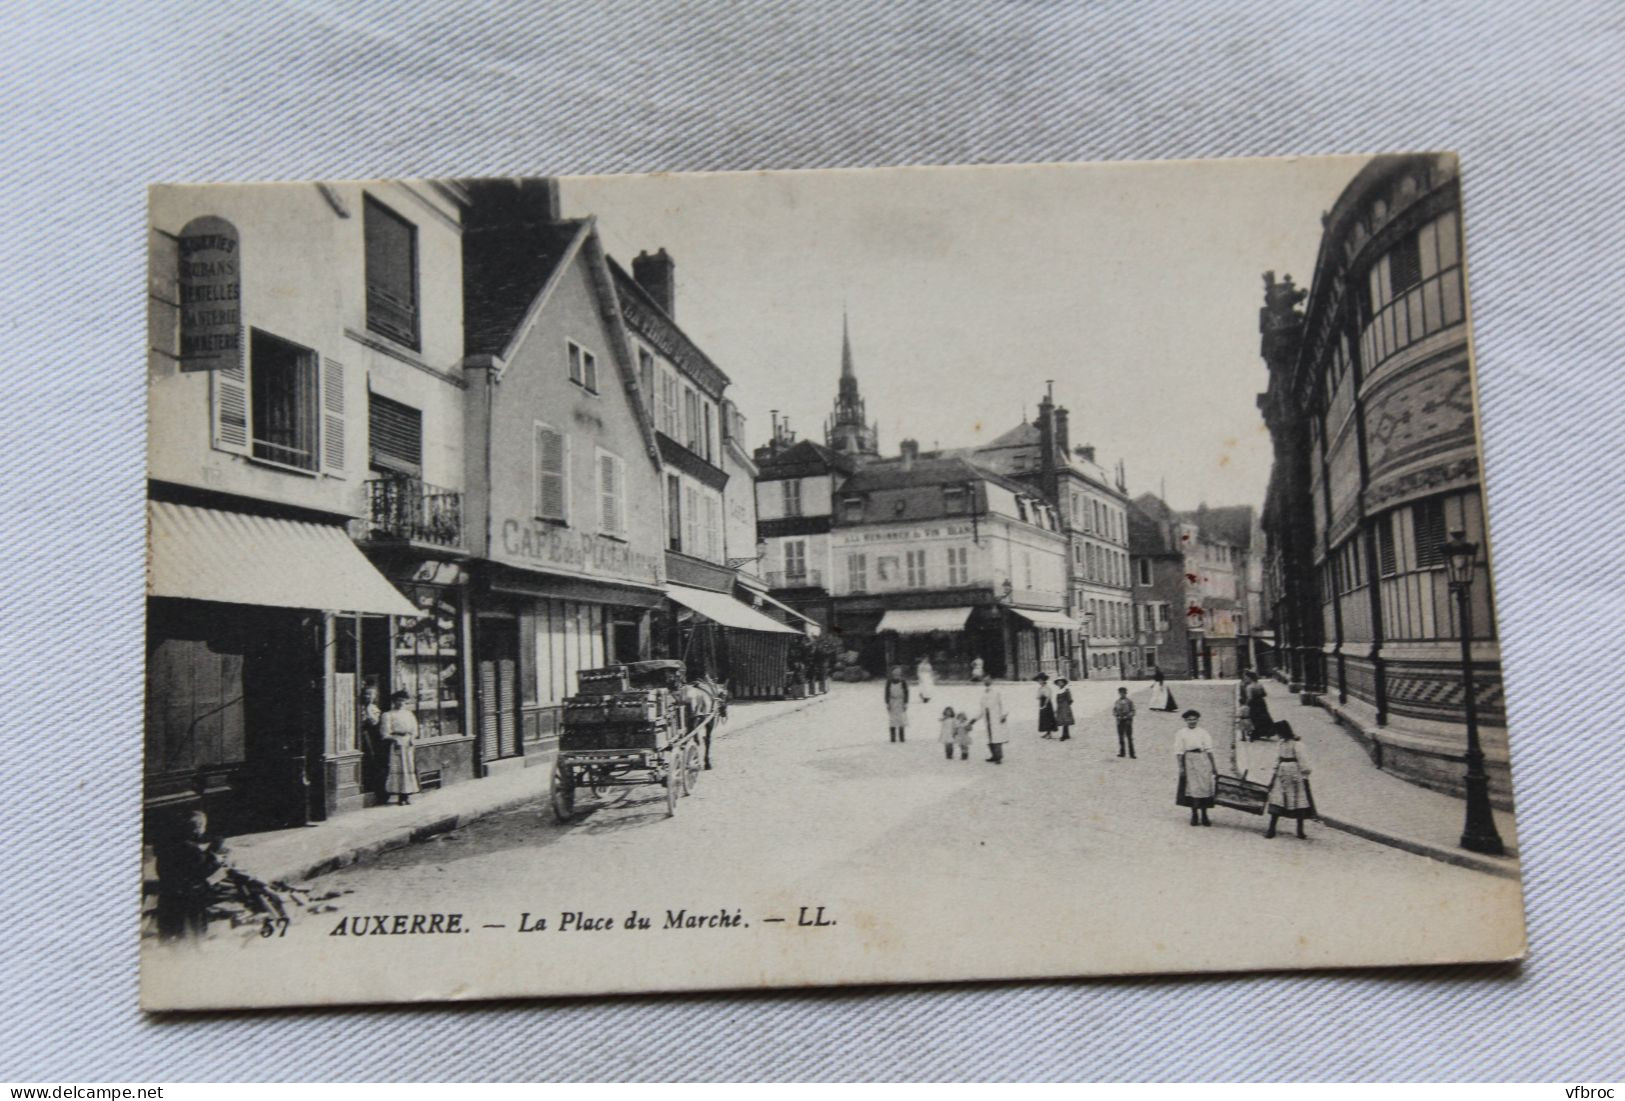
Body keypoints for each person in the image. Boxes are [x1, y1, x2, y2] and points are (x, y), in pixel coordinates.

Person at [1264, 722, 1317, 838]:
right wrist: (1273, 775)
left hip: (1295, 775)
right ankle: (1271, 829)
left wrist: (1305, 774)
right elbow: (1277, 759)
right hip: (1281, 774)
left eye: (1279, 732)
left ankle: (1300, 830)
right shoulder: (1280, 744)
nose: (1278, 735)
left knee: (1298, 801)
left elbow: (1303, 760)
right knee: (1278, 800)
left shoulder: (1297, 745)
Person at [1173, 708, 1218, 826]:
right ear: (1185, 720)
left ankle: (1204, 815)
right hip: (1189, 761)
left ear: (1198, 720)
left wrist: (1214, 766)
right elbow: (1179, 752)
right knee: (1193, 789)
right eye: (1189, 719)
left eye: (1194, 719)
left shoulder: (1203, 732)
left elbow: (1209, 750)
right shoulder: (1181, 733)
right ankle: (1194, 814)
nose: (1192, 722)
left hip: (1203, 760)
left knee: (1204, 788)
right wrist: (1181, 767)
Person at [380, 689, 421, 806]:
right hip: (396, 743)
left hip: (408, 743)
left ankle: (407, 795)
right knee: (399, 769)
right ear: (394, 701)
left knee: (408, 768)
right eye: (398, 700)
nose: (401, 703)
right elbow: (385, 733)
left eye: (403, 701)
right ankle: (400, 796)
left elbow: (414, 729)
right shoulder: (388, 715)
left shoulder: (409, 714)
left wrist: (412, 738)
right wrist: (394, 739)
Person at [978, 675, 1009, 764]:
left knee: (997, 738)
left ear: (991, 680)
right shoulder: (983, 693)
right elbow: (982, 708)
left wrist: (1004, 715)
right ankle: (993, 755)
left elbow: (1003, 703)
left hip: (996, 717)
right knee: (989, 738)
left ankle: (998, 757)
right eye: (984, 680)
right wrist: (974, 719)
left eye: (987, 680)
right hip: (987, 717)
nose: (986, 682)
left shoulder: (997, 691)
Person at [1243, 670, 1276, 741]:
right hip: (1261, 703)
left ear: (1250, 678)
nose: (1245, 679)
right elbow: (1264, 694)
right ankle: (1267, 732)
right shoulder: (1259, 684)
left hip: (1254, 704)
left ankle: (1256, 733)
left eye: (1246, 677)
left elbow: (1250, 698)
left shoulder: (1249, 687)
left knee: (1254, 718)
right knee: (1264, 717)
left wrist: (1246, 704)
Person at [884, 666, 910, 743]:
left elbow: (906, 693)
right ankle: (893, 737)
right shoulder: (889, 682)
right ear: (892, 673)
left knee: (901, 719)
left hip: (900, 701)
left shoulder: (903, 682)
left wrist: (905, 703)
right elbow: (886, 693)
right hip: (892, 701)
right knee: (892, 720)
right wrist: (887, 703)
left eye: (898, 673)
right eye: (895, 673)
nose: (896, 674)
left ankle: (902, 737)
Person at [1112, 686, 1137, 758]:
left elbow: (1133, 711)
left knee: (1129, 737)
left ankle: (1132, 754)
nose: (1122, 694)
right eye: (1120, 693)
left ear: (1126, 693)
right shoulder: (1117, 702)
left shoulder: (1129, 702)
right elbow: (1114, 711)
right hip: (1119, 721)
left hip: (1127, 721)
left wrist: (1127, 716)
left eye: (1123, 693)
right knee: (1121, 737)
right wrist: (1117, 716)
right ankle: (1122, 752)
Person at [1035, 673, 1058, 738]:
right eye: (1038, 680)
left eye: (1040, 680)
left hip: (1047, 704)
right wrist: (1039, 696)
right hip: (1042, 703)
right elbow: (1037, 697)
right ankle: (1047, 732)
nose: (1039, 682)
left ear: (1044, 680)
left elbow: (1048, 697)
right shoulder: (1040, 688)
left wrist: (1045, 704)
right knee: (1044, 718)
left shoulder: (1047, 688)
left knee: (1048, 718)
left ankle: (1049, 733)